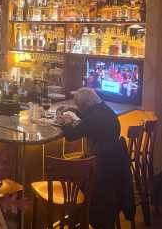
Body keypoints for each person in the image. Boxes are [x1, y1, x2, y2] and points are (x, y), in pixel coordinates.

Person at [57, 88, 135, 229]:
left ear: (86, 105)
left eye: (80, 106)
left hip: (98, 169)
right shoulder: (104, 111)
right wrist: (74, 110)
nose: (80, 108)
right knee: (80, 160)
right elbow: (87, 118)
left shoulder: (93, 119)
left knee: (63, 170)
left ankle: (76, 213)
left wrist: (66, 121)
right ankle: (79, 215)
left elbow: (70, 136)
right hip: (111, 167)